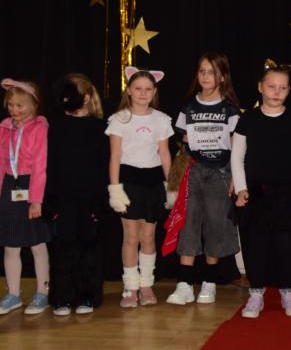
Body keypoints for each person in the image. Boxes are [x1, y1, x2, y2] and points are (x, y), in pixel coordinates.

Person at [231, 61, 291, 318]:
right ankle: (256, 292)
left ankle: (288, 291)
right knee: (256, 243)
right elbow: (237, 157)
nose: (276, 92)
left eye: (282, 88)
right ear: (260, 87)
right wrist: (241, 189)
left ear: (289, 90)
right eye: (271, 86)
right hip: (256, 193)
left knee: (286, 243)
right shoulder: (248, 119)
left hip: (288, 192)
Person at [166, 52, 241, 305]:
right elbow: (181, 142)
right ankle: (184, 283)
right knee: (188, 222)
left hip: (220, 172)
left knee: (215, 224)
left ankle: (209, 282)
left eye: (212, 72)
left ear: (222, 76)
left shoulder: (230, 110)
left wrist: (235, 177)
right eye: (202, 71)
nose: (206, 77)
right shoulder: (188, 107)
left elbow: (236, 146)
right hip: (193, 170)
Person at [106, 67, 173, 308]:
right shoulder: (119, 119)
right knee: (131, 237)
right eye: (138, 89)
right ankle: (130, 287)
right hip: (129, 181)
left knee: (148, 236)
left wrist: (171, 187)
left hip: (153, 182)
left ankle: (146, 285)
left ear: (154, 91)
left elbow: (164, 154)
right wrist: (115, 189)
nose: (143, 93)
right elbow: (115, 156)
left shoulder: (161, 119)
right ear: (129, 91)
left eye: (148, 89)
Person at [45, 74, 109, 315]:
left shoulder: (100, 128)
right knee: (63, 246)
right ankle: (62, 297)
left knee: (89, 246)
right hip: (64, 196)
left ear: (86, 98)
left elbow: (105, 166)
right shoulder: (56, 127)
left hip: (90, 197)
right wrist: (50, 199)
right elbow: (50, 164)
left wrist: (102, 201)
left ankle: (87, 296)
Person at [0, 79, 52, 315]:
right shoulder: (4, 127)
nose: (14, 110)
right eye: (11, 105)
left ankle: (42, 293)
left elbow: (41, 167)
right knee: (11, 245)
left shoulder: (40, 128)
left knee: (37, 244)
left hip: (32, 187)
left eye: (20, 105)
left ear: (33, 104)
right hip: (10, 187)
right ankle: (13, 294)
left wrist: (36, 200)